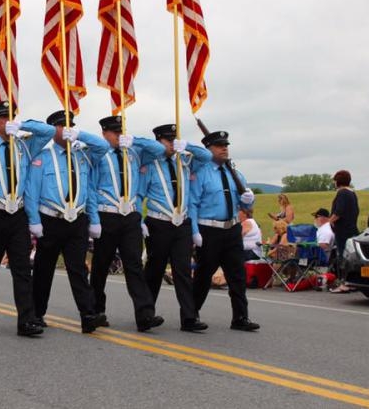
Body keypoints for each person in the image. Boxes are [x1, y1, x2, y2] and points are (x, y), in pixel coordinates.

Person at [0, 101, 54, 337]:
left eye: (12, 117)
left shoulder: (25, 145)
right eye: (3, 119)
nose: (8, 122)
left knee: (23, 268)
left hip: (18, 215)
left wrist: (23, 124)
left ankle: (26, 320)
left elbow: (48, 131)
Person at [24, 110, 109, 334]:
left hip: (77, 219)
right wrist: (34, 221)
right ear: (53, 131)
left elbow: (103, 147)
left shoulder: (83, 155)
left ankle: (88, 314)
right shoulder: (42, 158)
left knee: (78, 269)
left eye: (71, 125)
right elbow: (31, 192)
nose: (67, 129)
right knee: (44, 269)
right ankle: (36, 313)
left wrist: (80, 134)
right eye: (62, 126)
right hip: (50, 219)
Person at [89, 115, 165, 332]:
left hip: (130, 217)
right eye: (116, 133)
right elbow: (92, 190)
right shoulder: (99, 154)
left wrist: (134, 140)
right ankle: (96, 310)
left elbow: (158, 150)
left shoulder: (134, 153)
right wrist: (94, 220)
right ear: (105, 134)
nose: (119, 136)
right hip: (107, 215)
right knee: (101, 266)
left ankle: (145, 315)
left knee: (134, 266)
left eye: (122, 132)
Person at [141, 123, 211, 332]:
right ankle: (146, 314)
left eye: (174, 140)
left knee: (183, 272)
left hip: (182, 223)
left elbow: (206, 156)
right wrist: (139, 221)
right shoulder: (151, 164)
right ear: (159, 142)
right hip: (159, 222)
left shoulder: (185, 161)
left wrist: (187, 145)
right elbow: (138, 193)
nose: (172, 144)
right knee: (155, 270)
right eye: (168, 140)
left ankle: (189, 317)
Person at [189, 130, 260, 331]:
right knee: (204, 275)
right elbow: (192, 203)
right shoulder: (201, 173)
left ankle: (240, 317)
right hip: (209, 230)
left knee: (237, 275)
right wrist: (194, 231)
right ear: (208, 149)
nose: (224, 149)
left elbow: (245, 201)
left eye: (226, 145)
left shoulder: (235, 173)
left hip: (232, 229)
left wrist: (249, 199)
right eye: (220, 145)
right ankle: (191, 314)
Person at [328, 169, 359, 293]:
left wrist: (330, 221)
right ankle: (351, 282)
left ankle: (343, 283)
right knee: (350, 256)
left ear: (338, 181)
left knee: (342, 256)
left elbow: (339, 211)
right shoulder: (352, 193)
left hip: (342, 230)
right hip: (351, 228)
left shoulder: (342, 193)